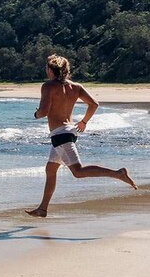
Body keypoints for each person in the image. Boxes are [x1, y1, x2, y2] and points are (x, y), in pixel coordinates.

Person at [25, 54, 137, 217]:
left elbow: (43, 112)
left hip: (60, 135)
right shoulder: (75, 86)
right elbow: (94, 104)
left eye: (46, 68)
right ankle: (42, 209)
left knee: (78, 171)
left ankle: (118, 173)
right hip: (69, 131)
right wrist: (84, 121)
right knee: (50, 169)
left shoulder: (48, 86)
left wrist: (35, 114)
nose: (46, 70)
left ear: (50, 70)